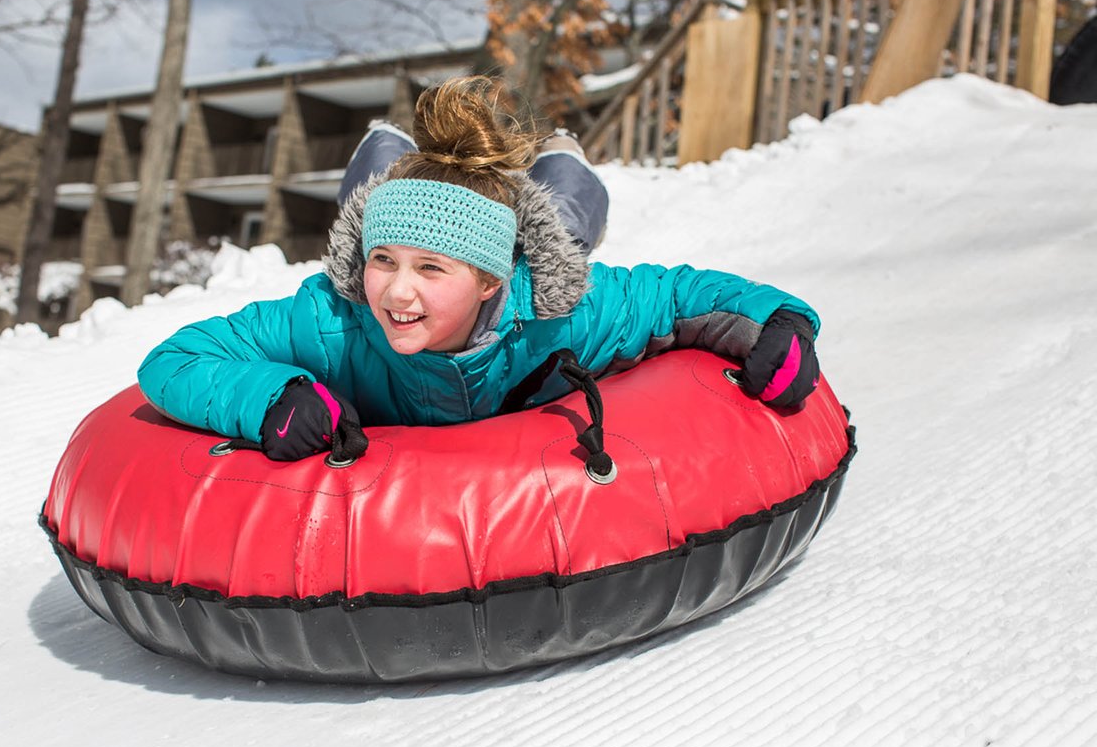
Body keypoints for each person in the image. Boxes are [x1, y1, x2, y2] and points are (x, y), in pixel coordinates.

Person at [138, 76, 821, 462]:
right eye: (385, 263)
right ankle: (386, 155)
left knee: (565, 226)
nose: (397, 291)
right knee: (369, 205)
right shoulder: (332, 319)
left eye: (431, 269)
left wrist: (779, 322)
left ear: (493, 281)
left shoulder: (559, 313)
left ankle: (565, 158)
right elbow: (174, 359)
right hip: (415, 219)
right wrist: (267, 398)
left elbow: (681, 297)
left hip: (527, 239)